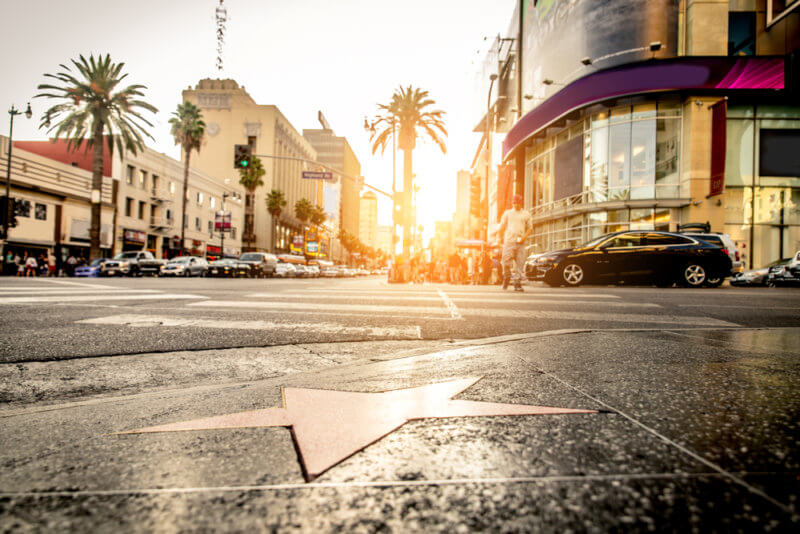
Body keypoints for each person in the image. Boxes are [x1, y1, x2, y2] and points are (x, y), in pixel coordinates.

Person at [497, 194, 532, 292]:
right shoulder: (507, 213)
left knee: (520, 263)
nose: (515, 204)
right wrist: (499, 238)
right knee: (505, 261)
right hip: (509, 241)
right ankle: (507, 276)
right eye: (514, 203)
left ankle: (517, 283)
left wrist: (524, 237)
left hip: (521, 242)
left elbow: (530, 228)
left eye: (517, 203)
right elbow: (502, 226)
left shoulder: (526, 214)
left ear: (521, 203)